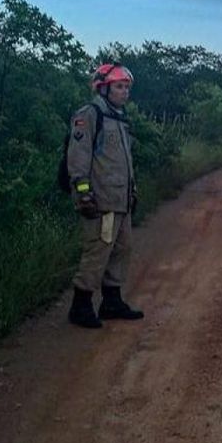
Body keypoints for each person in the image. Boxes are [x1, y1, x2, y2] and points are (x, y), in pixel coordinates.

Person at [66, 62, 143, 328]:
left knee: (122, 250)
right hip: (101, 201)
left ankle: (111, 302)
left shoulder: (119, 118)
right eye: (120, 87)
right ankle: (81, 306)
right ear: (104, 88)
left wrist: (133, 190)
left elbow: (123, 161)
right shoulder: (90, 114)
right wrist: (83, 193)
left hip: (120, 201)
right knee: (97, 252)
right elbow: (78, 157)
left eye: (127, 87)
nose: (125, 92)